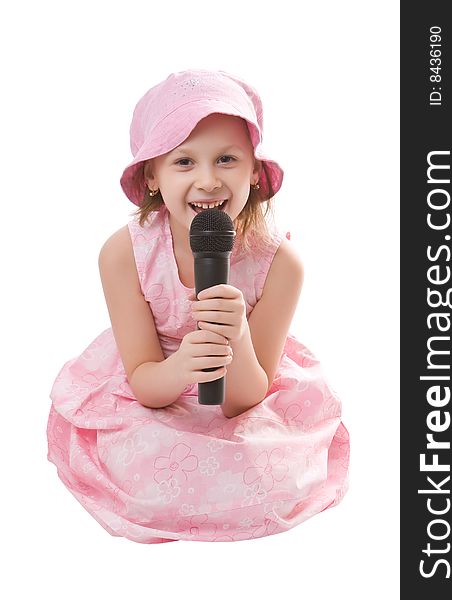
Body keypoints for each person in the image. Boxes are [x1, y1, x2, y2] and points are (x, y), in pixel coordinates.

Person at [46, 68, 350, 544]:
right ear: (152, 176)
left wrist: (237, 336)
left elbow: (245, 401)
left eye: (226, 159)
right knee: (144, 471)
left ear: (253, 168)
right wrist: (184, 365)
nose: (208, 181)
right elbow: (146, 382)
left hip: (241, 384)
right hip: (159, 378)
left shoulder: (281, 265)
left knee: (268, 475)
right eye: (184, 162)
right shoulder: (125, 254)